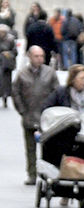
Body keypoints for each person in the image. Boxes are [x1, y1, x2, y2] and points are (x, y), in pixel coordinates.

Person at [44, 65, 84, 206]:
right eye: (81, 78)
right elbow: (48, 108)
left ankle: (82, 194)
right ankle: (65, 191)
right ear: (73, 79)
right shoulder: (61, 92)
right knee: (64, 156)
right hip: (65, 134)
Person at [11, 45, 60, 184]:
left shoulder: (50, 72)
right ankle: (32, 174)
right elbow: (16, 93)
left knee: (48, 148)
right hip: (29, 116)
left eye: (41, 56)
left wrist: (53, 112)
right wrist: (22, 111)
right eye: (36, 56)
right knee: (30, 149)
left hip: (47, 118)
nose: (39, 59)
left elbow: (57, 92)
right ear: (29, 57)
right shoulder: (22, 74)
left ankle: (46, 175)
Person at [0, 24, 17, 108]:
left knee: (6, 83)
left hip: (7, 64)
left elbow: (15, 52)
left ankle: (5, 98)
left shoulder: (11, 39)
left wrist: (8, 54)